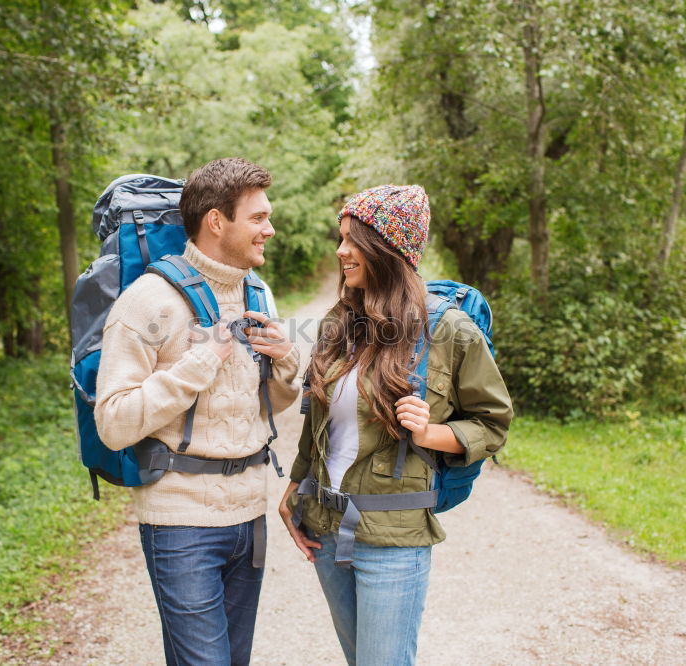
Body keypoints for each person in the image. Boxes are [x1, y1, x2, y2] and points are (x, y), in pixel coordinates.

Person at [278, 184, 513, 666]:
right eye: (340, 238)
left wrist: (429, 434)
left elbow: (493, 424)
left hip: (393, 541)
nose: (341, 250)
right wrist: (296, 484)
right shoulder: (339, 323)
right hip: (324, 528)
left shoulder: (448, 332)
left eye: (353, 239)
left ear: (388, 248)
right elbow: (316, 417)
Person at [94, 157, 301, 666]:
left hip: (249, 516)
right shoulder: (147, 302)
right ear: (216, 221)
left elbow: (269, 406)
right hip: (180, 523)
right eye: (257, 218)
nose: (269, 230)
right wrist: (200, 361)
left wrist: (286, 364)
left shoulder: (258, 294)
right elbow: (113, 423)